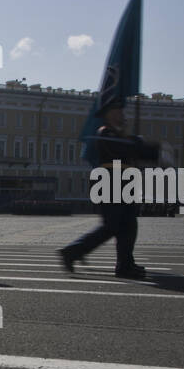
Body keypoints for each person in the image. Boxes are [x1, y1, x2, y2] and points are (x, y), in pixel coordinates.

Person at [58, 99, 159, 279]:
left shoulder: (122, 136)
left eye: (121, 112)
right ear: (108, 115)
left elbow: (137, 152)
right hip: (109, 182)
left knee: (129, 225)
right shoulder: (104, 133)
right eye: (117, 111)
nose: (121, 114)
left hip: (126, 182)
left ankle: (125, 265)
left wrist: (145, 147)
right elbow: (124, 149)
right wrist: (139, 144)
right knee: (111, 225)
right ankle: (72, 251)